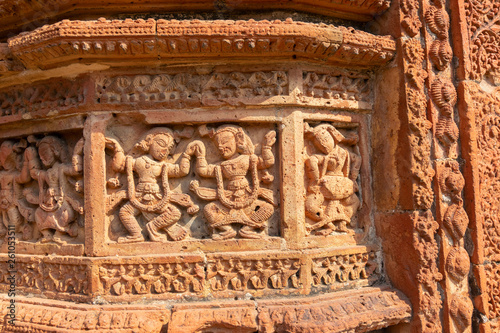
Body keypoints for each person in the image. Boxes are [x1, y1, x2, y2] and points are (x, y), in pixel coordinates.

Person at [105, 128, 198, 243]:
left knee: (175, 213)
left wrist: (187, 155)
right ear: (149, 142)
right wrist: (118, 149)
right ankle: (136, 234)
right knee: (125, 212)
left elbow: (181, 171)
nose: (164, 151)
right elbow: (119, 166)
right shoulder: (139, 161)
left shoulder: (163, 166)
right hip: (139, 197)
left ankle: (153, 227)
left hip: (156, 198)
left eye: (168, 149)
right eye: (161, 144)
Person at [189, 125, 276, 240]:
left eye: (225, 142)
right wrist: (200, 155)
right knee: (208, 209)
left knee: (268, 208)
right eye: (217, 144)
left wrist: (266, 147)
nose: (220, 147)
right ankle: (226, 230)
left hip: (247, 197)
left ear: (238, 141)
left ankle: (248, 229)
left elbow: (267, 162)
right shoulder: (221, 166)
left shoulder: (248, 159)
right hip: (228, 200)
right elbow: (203, 170)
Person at [22, 136, 84, 244]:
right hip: (47, 202)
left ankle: (60, 234)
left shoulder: (62, 168)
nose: (42, 158)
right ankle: (47, 234)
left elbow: (76, 170)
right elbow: (34, 174)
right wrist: (31, 157)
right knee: (38, 214)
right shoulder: (46, 173)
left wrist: (76, 153)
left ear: (55, 151)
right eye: (40, 156)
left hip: (60, 200)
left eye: (45, 153)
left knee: (66, 213)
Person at [304, 123, 360, 235]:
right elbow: (312, 161)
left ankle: (342, 222)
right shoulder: (324, 157)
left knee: (355, 203)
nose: (324, 145)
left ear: (332, 137)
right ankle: (328, 223)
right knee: (309, 207)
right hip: (326, 187)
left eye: (325, 139)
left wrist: (353, 178)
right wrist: (314, 180)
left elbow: (357, 159)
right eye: (319, 144)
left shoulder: (344, 153)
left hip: (341, 186)